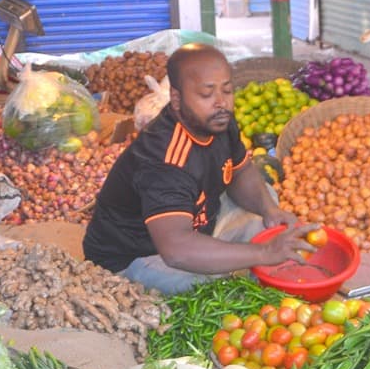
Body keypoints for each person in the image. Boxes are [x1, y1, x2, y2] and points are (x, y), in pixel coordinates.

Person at [83, 43, 316, 293]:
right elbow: (176, 250)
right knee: (215, 292)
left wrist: (270, 211)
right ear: (176, 98)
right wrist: (264, 252)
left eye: (227, 91)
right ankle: (222, 263)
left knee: (266, 200)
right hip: (138, 256)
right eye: (206, 94)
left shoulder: (218, 120)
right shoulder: (164, 160)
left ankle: (220, 254)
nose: (221, 103)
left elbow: (240, 170)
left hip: (196, 224)